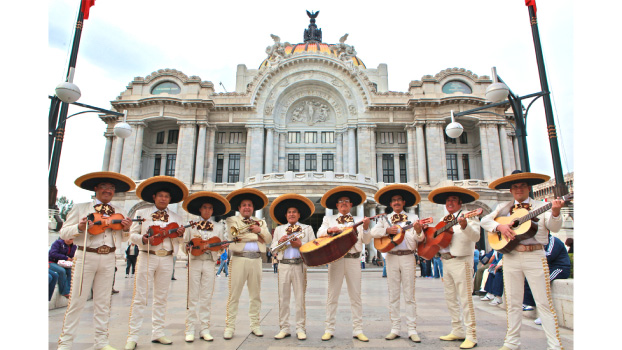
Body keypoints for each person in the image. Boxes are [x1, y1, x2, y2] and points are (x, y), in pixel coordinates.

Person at [481, 170, 565, 350]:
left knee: (543, 302)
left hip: (535, 255)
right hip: (511, 256)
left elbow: (554, 227)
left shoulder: (540, 205)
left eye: (522, 186)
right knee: (512, 301)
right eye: (515, 186)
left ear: (528, 188)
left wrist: (556, 211)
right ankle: (511, 342)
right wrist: (500, 226)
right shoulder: (503, 208)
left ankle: (555, 345)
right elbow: (485, 221)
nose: (519, 189)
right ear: (511, 190)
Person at [57, 171, 134, 350]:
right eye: (104, 187)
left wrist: (125, 230)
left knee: (103, 301)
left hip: (108, 258)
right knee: (77, 300)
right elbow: (64, 233)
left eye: (111, 188)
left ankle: (101, 342)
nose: (108, 191)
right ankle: (66, 343)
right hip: (86, 255)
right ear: (96, 189)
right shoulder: (81, 208)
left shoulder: (120, 211)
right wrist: (80, 226)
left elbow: (123, 239)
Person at [125, 176, 188, 350]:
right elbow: (132, 235)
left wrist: (182, 234)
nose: (163, 199)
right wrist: (142, 238)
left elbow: (181, 241)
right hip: (147, 256)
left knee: (161, 297)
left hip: (167, 258)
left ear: (170, 199)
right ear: (154, 197)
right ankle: (133, 336)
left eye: (166, 196)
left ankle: (158, 332)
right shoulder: (142, 214)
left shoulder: (176, 217)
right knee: (140, 297)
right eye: (160, 195)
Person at [427, 186, 481, 349]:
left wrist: (464, 225)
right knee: (450, 298)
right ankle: (457, 329)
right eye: (448, 200)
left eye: (453, 200)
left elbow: (476, 236)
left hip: (461, 261)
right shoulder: (445, 220)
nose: (450, 203)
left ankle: (471, 334)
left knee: (465, 299)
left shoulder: (468, 217)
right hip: (446, 261)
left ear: (460, 203)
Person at [371, 184, 424, 342]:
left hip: (408, 256)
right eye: (394, 201)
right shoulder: (384, 219)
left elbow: (419, 239)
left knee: (409, 295)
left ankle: (412, 329)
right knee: (393, 294)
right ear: (391, 204)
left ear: (404, 202)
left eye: (399, 200)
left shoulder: (413, 219)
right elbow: (374, 232)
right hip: (391, 257)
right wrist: (387, 231)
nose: (396, 203)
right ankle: (395, 328)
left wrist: (419, 230)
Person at [317, 185, 371, 342]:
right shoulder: (329, 219)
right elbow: (319, 233)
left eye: (346, 202)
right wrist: (329, 231)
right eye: (341, 202)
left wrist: (366, 229)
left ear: (351, 205)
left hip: (354, 259)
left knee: (356, 296)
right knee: (332, 295)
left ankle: (358, 329)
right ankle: (329, 329)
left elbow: (366, 240)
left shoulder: (359, 221)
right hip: (336, 260)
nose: (343, 204)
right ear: (337, 205)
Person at [181, 191, 230, 342]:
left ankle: (204, 329)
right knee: (192, 296)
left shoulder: (218, 227)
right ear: (200, 210)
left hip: (209, 262)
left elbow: (220, 247)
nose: (207, 210)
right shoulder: (191, 226)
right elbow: (184, 245)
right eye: (204, 208)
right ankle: (189, 329)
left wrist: (223, 247)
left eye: (210, 208)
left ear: (212, 211)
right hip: (195, 262)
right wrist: (188, 248)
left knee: (207, 296)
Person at [223, 188, 272, 339]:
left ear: (253, 208)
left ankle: (255, 325)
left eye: (249, 205)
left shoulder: (261, 222)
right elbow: (234, 236)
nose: (246, 207)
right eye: (244, 205)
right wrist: (257, 236)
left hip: (256, 260)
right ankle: (230, 326)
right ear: (239, 208)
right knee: (234, 294)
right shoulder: (232, 220)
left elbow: (269, 239)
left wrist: (259, 230)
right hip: (239, 258)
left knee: (255, 295)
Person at [269, 193, 315, 340]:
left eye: (294, 212)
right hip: (283, 266)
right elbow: (272, 249)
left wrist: (301, 244)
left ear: (299, 214)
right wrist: (280, 242)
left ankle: (301, 328)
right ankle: (284, 328)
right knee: (283, 298)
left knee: (300, 298)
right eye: (289, 212)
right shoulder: (279, 229)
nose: (291, 214)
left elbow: (313, 247)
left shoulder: (307, 229)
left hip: (299, 266)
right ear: (286, 215)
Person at [523, 232, 571, 322]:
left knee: (542, 282)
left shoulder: (553, 241)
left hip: (560, 268)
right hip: (548, 269)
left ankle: (546, 316)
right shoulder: (539, 242)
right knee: (530, 278)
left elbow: (549, 255)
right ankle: (529, 303)